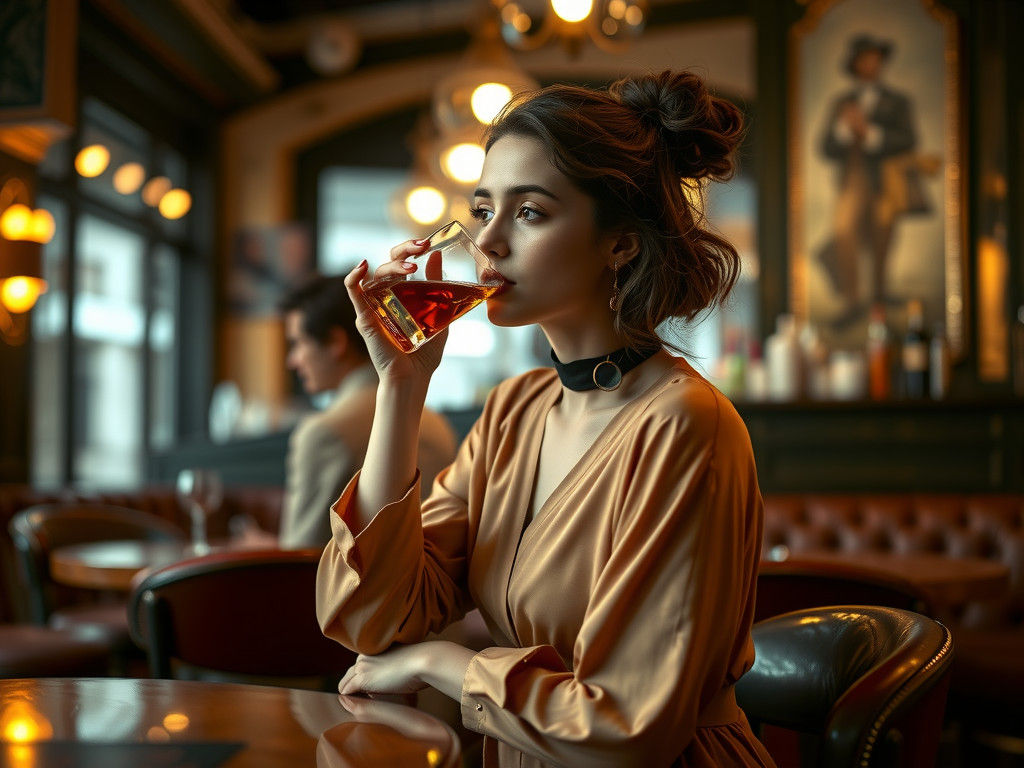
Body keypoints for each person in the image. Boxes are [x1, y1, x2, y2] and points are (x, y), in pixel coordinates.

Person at [316, 71, 775, 767]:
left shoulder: (686, 425)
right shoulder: (513, 410)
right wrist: (402, 386)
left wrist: (444, 664)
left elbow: (626, 728)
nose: (489, 242)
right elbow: (369, 617)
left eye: (528, 212)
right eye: (481, 210)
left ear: (620, 243)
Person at [237, 274, 458, 549]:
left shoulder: (323, 433)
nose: (292, 360)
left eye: (298, 343)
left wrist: (265, 550)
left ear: (335, 343)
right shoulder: (439, 423)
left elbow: (299, 563)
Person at [816, 34, 927, 325]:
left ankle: (879, 295)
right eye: (866, 58)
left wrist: (870, 133)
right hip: (852, 180)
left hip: (885, 181)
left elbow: (909, 139)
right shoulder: (841, 102)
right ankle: (853, 302)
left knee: (882, 236)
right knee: (843, 232)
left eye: (876, 58)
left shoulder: (897, 101)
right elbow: (826, 147)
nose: (872, 63)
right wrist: (844, 127)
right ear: (856, 64)